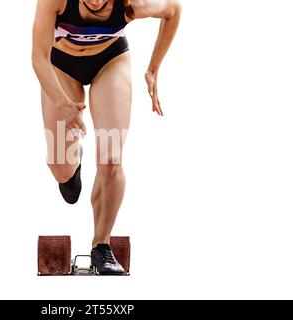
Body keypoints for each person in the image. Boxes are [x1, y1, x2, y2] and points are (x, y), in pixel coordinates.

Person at [32, 0, 181, 275]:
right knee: (59, 165)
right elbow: (39, 58)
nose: (98, 2)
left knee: (111, 158)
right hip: (62, 66)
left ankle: (101, 244)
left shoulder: (132, 3)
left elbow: (173, 11)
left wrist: (153, 69)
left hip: (108, 62)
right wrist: (62, 102)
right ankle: (72, 165)